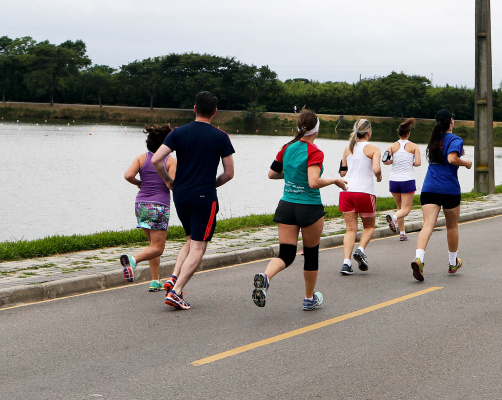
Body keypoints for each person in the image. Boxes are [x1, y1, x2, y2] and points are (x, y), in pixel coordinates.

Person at [253, 110, 347, 310]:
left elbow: (272, 174)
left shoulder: (286, 147)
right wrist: (335, 180)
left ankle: (266, 276)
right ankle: (308, 298)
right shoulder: (315, 152)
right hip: (309, 208)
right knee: (311, 254)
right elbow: (313, 182)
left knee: (286, 255)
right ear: (317, 129)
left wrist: (292, 177)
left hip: (287, 206)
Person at [152, 91, 235, 310]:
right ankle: (177, 292)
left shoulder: (178, 133)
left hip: (180, 195)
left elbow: (156, 159)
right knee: (199, 246)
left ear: (194, 108)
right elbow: (229, 173)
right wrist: (211, 185)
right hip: (204, 197)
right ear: (215, 112)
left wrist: (169, 181)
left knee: (190, 239)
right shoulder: (221, 137)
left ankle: (173, 277)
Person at [411, 109, 472, 282]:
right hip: (449, 189)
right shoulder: (456, 139)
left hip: (429, 187)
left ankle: (419, 259)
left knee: (427, 225)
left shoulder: (433, 139)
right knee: (452, 226)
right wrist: (466, 163)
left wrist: (459, 154)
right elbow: (452, 159)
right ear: (451, 121)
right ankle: (453, 263)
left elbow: (446, 154)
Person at [121, 124, 177, 291]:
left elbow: (128, 175)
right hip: (159, 206)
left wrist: (140, 183)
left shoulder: (141, 158)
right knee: (158, 247)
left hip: (141, 205)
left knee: (152, 245)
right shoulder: (171, 160)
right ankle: (133, 260)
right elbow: (172, 184)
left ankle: (155, 280)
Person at [338, 119, 382, 275]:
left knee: (350, 229)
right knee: (369, 226)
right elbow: (376, 169)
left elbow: (342, 173)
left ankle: (346, 263)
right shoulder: (373, 148)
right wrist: (379, 176)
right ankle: (361, 250)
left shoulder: (348, 148)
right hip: (364, 192)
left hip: (346, 191)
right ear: (369, 133)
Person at [384, 118, 422, 240]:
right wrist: (409, 162)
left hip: (394, 181)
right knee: (406, 209)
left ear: (399, 133)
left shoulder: (391, 146)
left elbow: (385, 161)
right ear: (408, 133)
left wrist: (393, 160)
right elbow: (418, 163)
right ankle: (393, 217)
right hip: (407, 180)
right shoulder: (414, 146)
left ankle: (402, 233)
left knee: (400, 208)